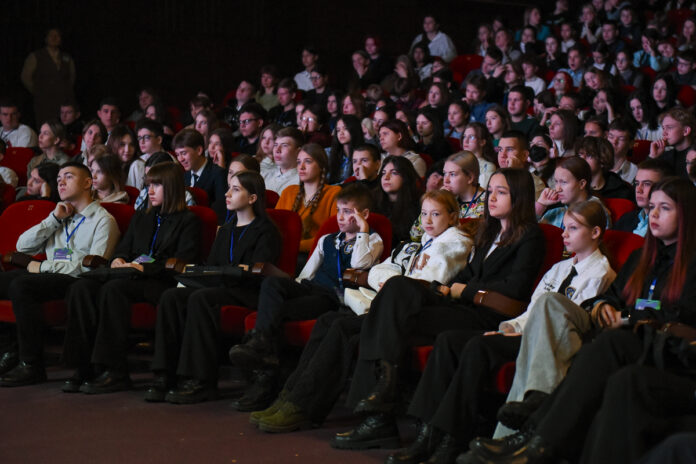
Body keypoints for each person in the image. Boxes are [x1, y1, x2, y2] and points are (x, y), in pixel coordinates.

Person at [465, 177, 696, 464]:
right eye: (651, 207)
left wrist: (630, 316)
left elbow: (680, 315)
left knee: (610, 346)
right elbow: (608, 298)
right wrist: (604, 308)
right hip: (620, 335)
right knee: (552, 306)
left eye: (665, 208)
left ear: (686, 214)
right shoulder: (640, 258)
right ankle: (533, 426)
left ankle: (537, 428)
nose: (654, 215)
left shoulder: (691, 264)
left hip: (665, 350)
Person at [330, 168, 545, 450]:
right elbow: (468, 274)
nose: (491, 198)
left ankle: (380, 410)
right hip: (460, 304)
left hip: (486, 314)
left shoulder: (530, 236)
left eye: (500, 192)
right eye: (490, 191)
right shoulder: (490, 232)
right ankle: (384, 391)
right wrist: (447, 289)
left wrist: (462, 290)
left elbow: (514, 288)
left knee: (387, 315)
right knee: (397, 288)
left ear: (519, 197)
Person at [391, 200, 614, 463]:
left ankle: (451, 439)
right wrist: (507, 328)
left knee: (477, 347)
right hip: (521, 330)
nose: (564, 234)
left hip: (550, 343)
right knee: (449, 340)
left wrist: (515, 333)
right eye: (564, 227)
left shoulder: (601, 273)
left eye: (573, 228)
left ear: (596, 232)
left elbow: (565, 322)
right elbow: (531, 309)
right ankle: (428, 432)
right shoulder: (560, 268)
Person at [251, 190, 473, 433]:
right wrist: (390, 280)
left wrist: (390, 280)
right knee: (327, 321)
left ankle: (303, 406)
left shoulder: (455, 243)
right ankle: (289, 395)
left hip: (416, 315)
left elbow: (426, 282)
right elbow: (381, 271)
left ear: (452, 217)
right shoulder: (418, 244)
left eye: (436, 214)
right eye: (424, 214)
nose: (427, 220)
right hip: (392, 306)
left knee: (342, 328)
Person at [228, 183, 383, 402]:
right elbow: (307, 273)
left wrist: (363, 230)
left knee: (276, 312)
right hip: (311, 288)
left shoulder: (373, 240)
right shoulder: (326, 240)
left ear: (363, 215)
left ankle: (265, 373)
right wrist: (293, 286)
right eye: (339, 210)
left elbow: (359, 263)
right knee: (272, 284)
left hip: (331, 297)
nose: (340, 217)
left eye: (348, 212)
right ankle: (261, 344)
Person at [61, 162, 201, 393]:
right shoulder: (142, 217)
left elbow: (183, 260)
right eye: (148, 185)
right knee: (82, 286)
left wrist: (144, 267)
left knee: (114, 289)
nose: (151, 190)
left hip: (160, 281)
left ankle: (115, 370)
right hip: (130, 275)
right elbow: (124, 249)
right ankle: (83, 366)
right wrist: (119, 259)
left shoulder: (188, 220)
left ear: (172, 186)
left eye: (157, 185)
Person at [147, 171, 282, 403]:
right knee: (171, 296)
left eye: (236, 189)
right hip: (222, 286)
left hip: (248, 292)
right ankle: (165, 374)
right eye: (229, 188)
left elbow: (258, 273)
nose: (227, 194)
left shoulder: (265, 230)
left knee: (201, 298)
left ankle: (201, 380)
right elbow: (212, 267)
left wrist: (227, 274)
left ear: (252, 198)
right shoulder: (226, 230)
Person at [0, 162, 120, 386]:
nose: (61, 182)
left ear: (87, 182)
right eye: (58, 179)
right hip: (49, 274)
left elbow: (93, 267)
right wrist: (53, 219)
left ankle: (31, 364)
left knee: (22, 286)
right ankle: (8, 351)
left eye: (68, 177)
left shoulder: (104, 220)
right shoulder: (59, 215)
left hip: (76, 281)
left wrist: (43, 267)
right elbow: (23, 246)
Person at [275, 143, 341, 253]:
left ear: (321, 166)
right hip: (283, 251)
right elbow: (274, 227)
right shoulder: (289, 191)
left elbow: (332, 236)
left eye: (308, 161)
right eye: (299, 162)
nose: (301, 167)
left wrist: (293, 246)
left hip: (313, 256)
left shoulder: (333, 193)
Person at [411, 151, 486, 242]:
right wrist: (436, 201)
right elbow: (415, 234)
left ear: (470, 178)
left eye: (452, 174)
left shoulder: (486, 203)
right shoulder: (448, 198)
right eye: (445, 173)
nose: (445, 180)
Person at [20, 28, 76, 126]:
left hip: (63, 101)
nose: (54, 38)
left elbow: (72, 77)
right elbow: (26, 77)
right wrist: (38, 91)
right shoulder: (36, 56)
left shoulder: (67, 58)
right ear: (46, 39)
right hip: (44, 102)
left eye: (57, 36)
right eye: (51, 35)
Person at [536, 156, 609, 226]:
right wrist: (541, 204)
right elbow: (527, 231)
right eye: (556, 182)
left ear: (581, 184)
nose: (558, 189)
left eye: (564, 182)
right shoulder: (556, 212)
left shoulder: (596, 210)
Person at [173, 129, 227, 224]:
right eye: (177, 154)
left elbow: (220, 212)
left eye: (184, 153)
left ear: (199, 150)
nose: (180, 159)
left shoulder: (218, 174)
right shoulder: (184, 175)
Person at [614, 158, 673, 236]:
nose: (638, 190)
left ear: (665, 187)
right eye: (637, 183)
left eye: (647, 184)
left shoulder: (667, 228)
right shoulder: (626, 219)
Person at [376, 156, 422, 245]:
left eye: (394, 173)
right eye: (383, 173)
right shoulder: (374, 203)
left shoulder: (418, 206)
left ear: (406, 177)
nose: (386, 177)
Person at [577, 135, 634, 200]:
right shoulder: (573, 184)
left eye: (589, 155)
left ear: (602, 160)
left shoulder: (619, 191)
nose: (582, 159)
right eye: (580, 154)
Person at [650, 107, 695, 179]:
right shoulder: (664, 156)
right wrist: (653, 156)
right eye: (663, 128)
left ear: (686, 131)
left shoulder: (694, 155)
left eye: (669, 127)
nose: (664, 133)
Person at [262, 127, 302, 195]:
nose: (277, 150)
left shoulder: (301, 181)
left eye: (284, 145)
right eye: (275, 145)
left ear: (298, 152)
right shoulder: (265, 175)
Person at [328, 115, 364, 184]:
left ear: (354, 130)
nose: (341, 133)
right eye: (338, 130)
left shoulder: (363, 153)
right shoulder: (328, 152)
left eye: (345, 128)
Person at [106, 125, 143, 189]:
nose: (127, 150)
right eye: (122, 144)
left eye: (131, 145)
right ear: (113, 145)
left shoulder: (137, 165)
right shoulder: (106, 164)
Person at [461, 122, 497, 187]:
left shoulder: (488, 167)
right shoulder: (457, 163)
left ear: (482, 142)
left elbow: (481, 194)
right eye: (464, 136)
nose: (465, 141)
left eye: (471, 137)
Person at [607, 118, 638, 183]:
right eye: (611, 137)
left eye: (621, 139)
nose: (614, 142)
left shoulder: (635, 172)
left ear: (631, 144)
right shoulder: (596, 165)